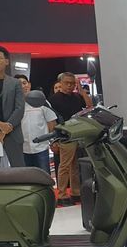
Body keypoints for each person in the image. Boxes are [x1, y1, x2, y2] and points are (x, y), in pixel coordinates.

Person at [49, 72, 92, 206]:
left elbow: (89, 106)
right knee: (65, 166)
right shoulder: (53, 99)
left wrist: (81, 90)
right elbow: (51, 121)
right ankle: (62, 194)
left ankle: (75, 192)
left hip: (77, 134)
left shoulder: (77, 97)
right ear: (60, 83)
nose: (69, 86)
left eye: (72, 83)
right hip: (63, 135)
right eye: (66, 83)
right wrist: (54, 140)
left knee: (75, 166)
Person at [15, 74, 57, 174]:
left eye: (24, 83)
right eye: (19, 84)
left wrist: (51, 140)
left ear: (29, 85)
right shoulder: (14, 104)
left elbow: (51, 122)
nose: (23, 86)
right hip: (23, 148)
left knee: (44, 176)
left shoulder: (41, 101)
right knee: (27, 177)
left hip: (41, 147)